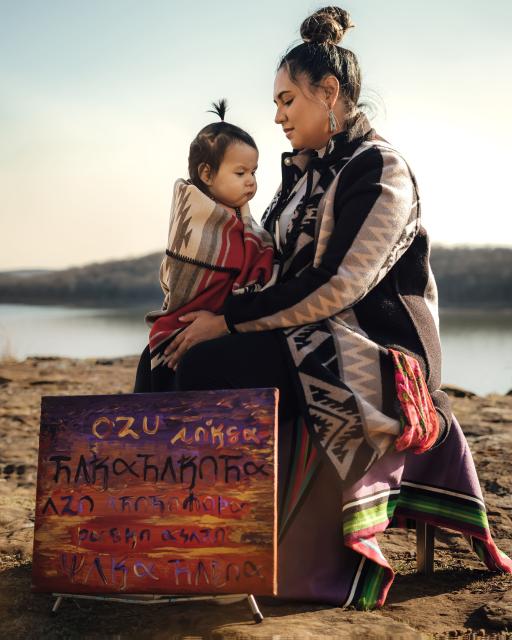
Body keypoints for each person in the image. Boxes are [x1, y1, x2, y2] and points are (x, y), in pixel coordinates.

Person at [134, 100, 274, 392]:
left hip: (224, 328)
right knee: (156, 361)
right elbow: (178, 275)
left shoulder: (243, 224)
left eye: (254, 172)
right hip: (183, 322)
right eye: (240, 173)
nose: (251, 182)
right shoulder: (194, 221)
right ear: (207, 174)